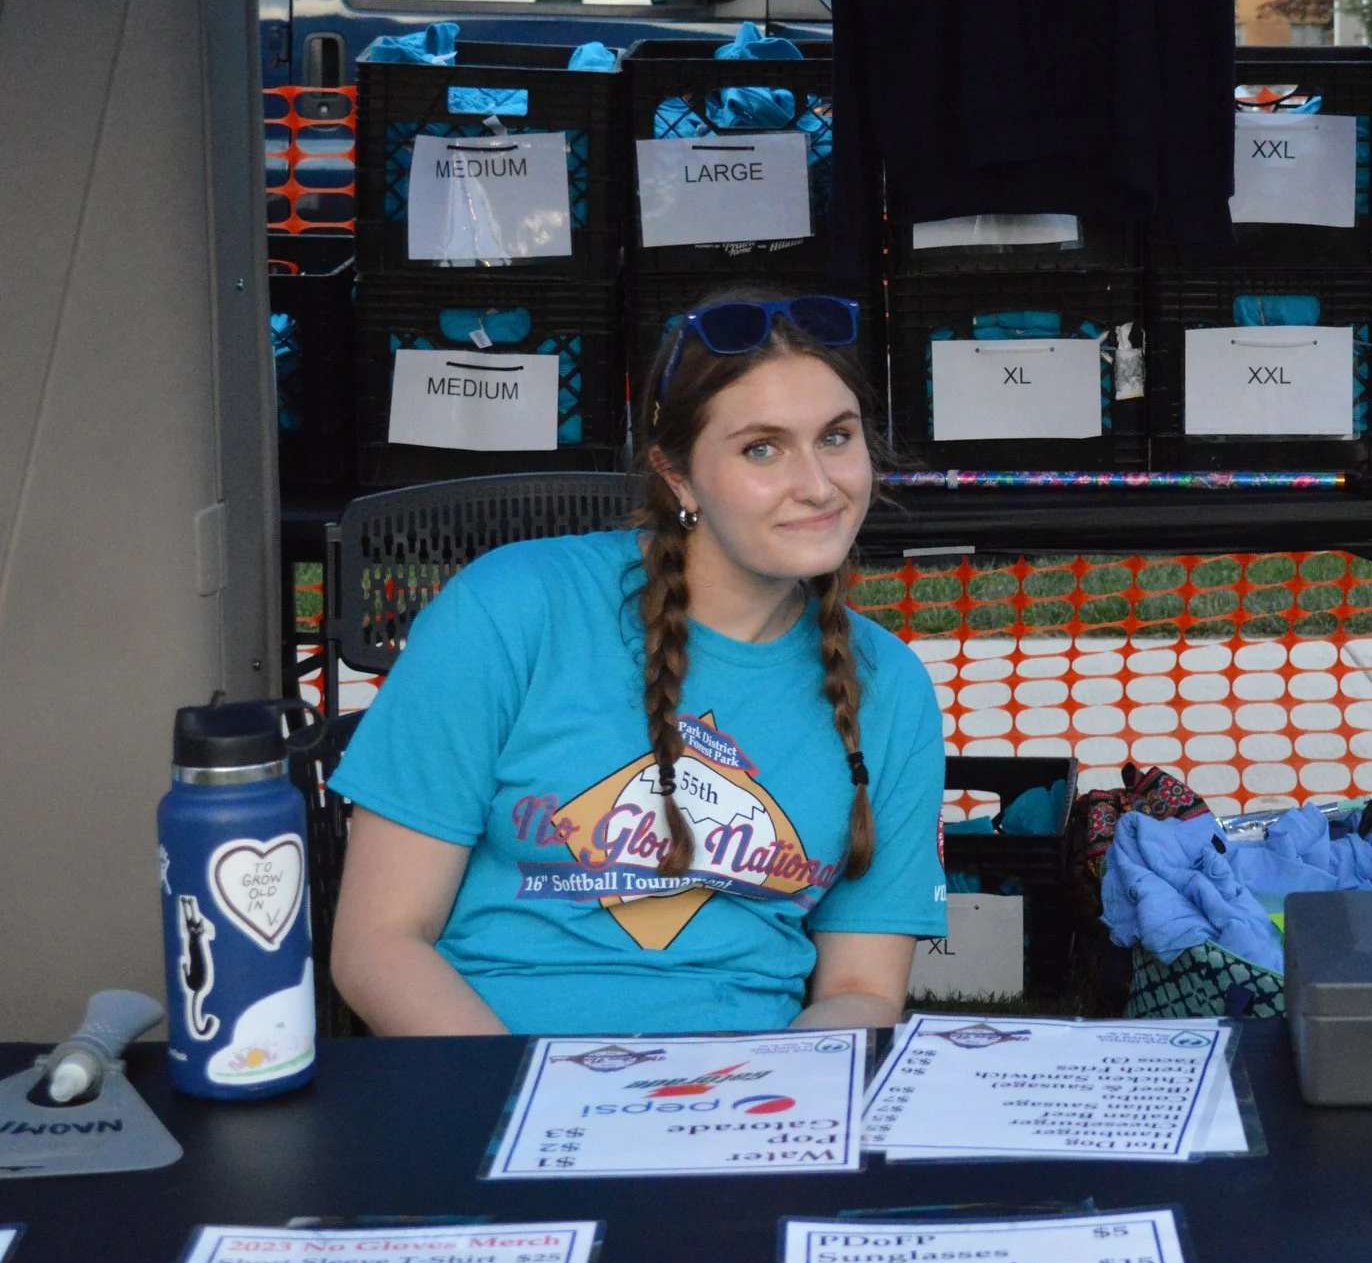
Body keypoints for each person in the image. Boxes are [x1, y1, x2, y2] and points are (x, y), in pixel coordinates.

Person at [329, 293, 945, 1035]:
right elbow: (377, 943)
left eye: (836, 438)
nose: (817, 486)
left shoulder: (890, 685)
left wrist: (777, 1116)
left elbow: (860, 988)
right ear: (677, 477)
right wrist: (521, 1111)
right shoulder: (511, 608)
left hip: (743, 1107)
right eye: (762, 448)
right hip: (490, 1082)